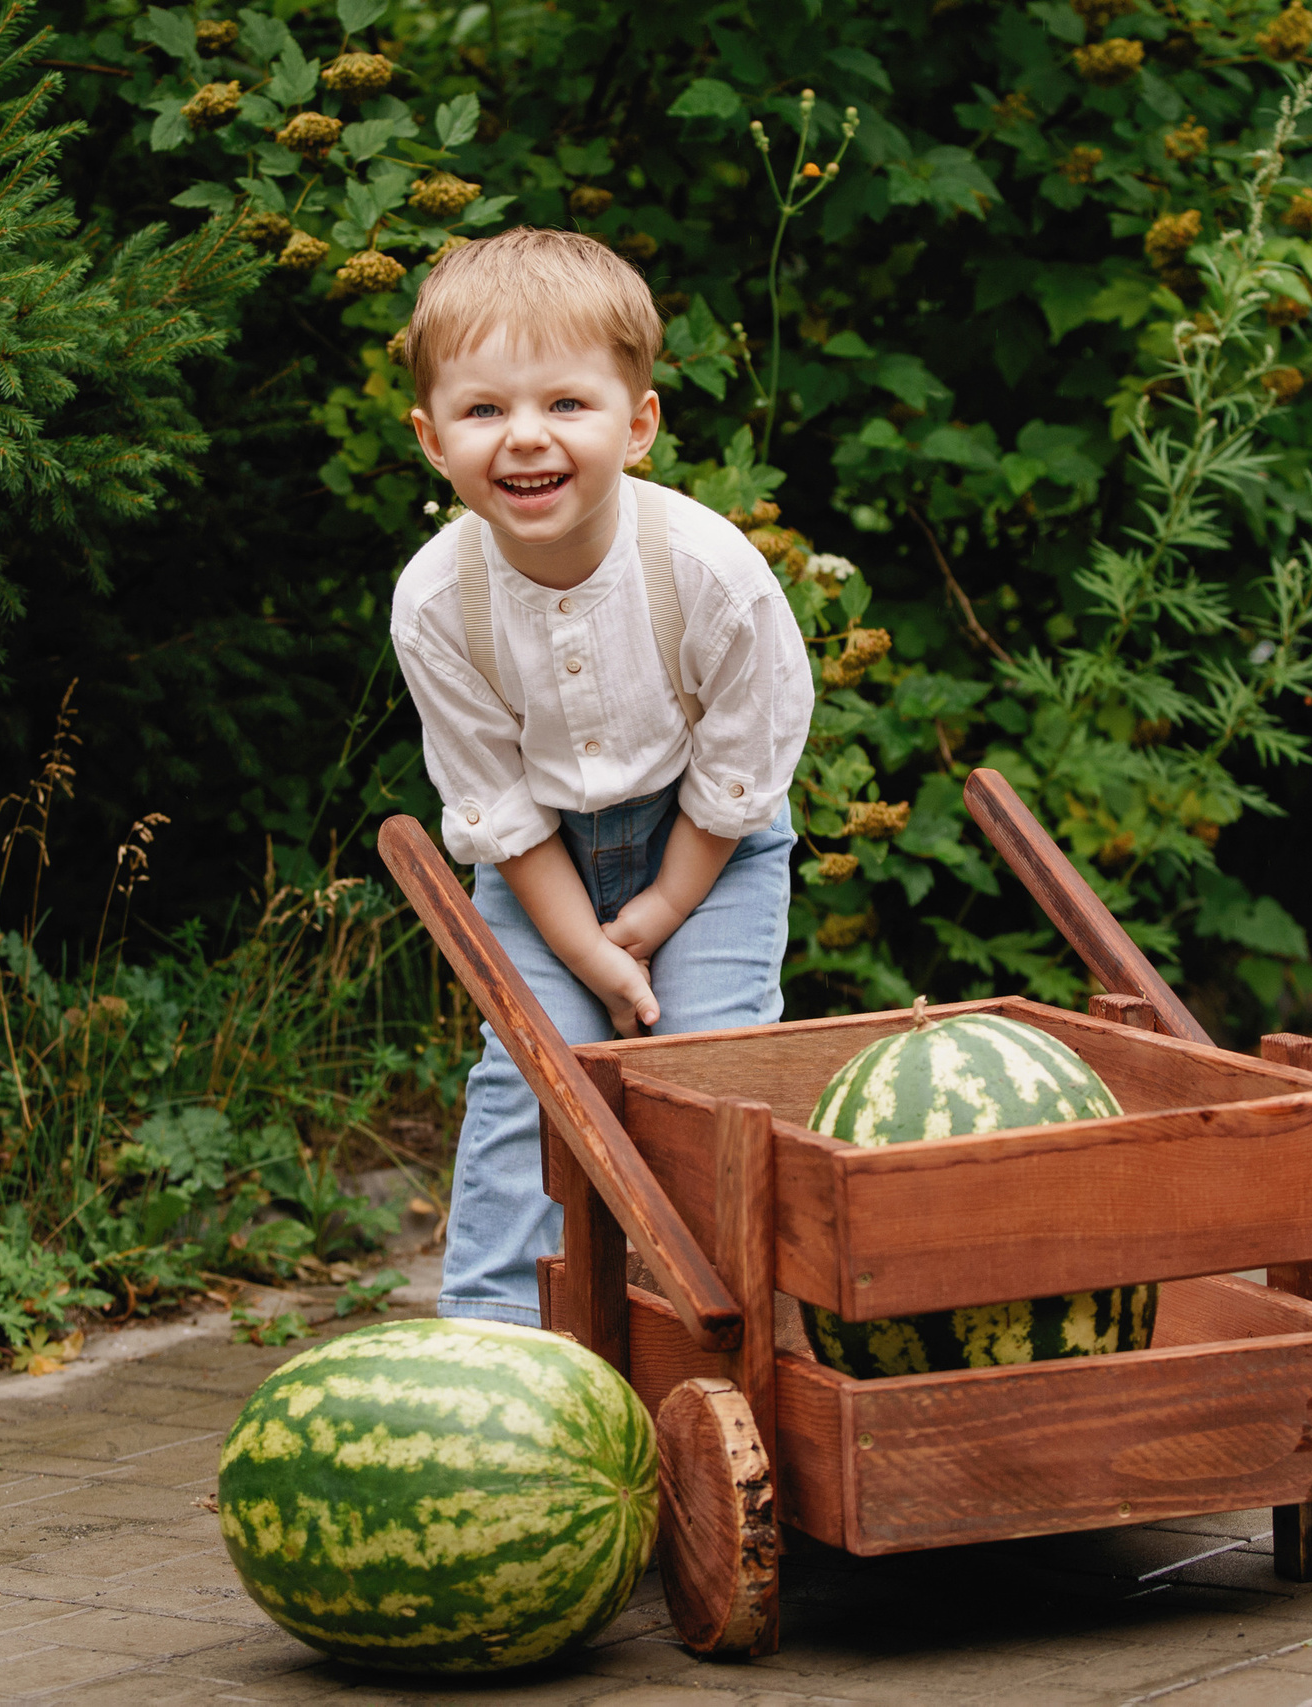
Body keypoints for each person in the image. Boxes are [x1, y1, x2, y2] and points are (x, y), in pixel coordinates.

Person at [390, 228, 814, 1327]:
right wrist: (586, 951)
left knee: (706, 1080)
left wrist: (665, 908)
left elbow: (742, 766)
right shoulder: (436, 602)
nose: (526, 436)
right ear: (432, 438)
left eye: (566, 403)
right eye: (484, 409)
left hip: (709, 848)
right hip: (540, 861)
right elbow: (497, 805)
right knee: (535, 1078)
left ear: (637, 425)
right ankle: (496, 1340)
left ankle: (716, 1331)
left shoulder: (709, 572)